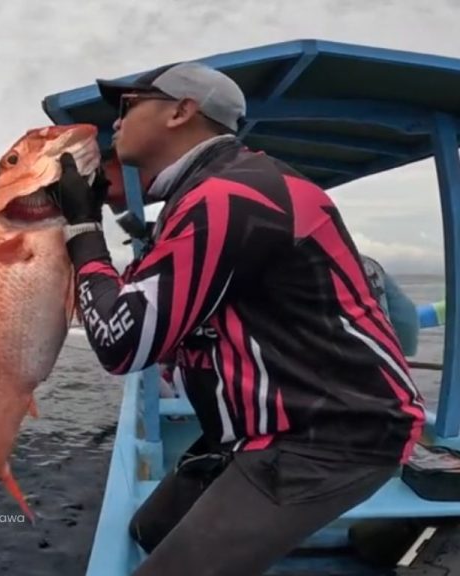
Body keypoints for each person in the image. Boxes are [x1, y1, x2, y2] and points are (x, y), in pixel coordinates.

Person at [48, 61, 426, 576]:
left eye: (128, 105)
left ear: (182, 111)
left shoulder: (233, 194)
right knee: (148, 531)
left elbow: (124, 342)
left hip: (330, 433)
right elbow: (146, 298)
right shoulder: (210, 190)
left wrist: (82, 228)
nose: (116, 121)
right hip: (254, 424)